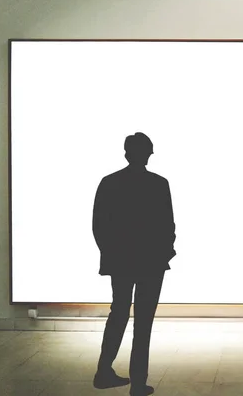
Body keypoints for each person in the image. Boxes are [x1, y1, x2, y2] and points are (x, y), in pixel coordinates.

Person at [91, 132, 176, 396]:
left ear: (126, 153)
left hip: (122, 262)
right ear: (148, 153)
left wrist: (112, 254)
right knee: (143, 322)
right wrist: (165, 254)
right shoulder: (159, 184)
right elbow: (167, 225)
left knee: (118, 314)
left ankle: (104, 371)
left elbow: (99, 226)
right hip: (151, 262)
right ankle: (138, 382)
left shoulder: (109, 182)